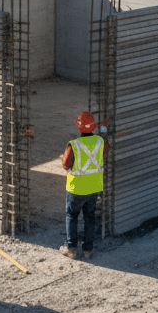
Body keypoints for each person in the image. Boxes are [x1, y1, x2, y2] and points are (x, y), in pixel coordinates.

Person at [60, 111, 104, 259]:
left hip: (76, 188)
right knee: (89, 217)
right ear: (93, 126)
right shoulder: (100, 141)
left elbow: (65, 164)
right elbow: (106, 150)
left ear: (79, 127)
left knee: (72, 216)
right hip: (94, 186)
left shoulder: (74, 145)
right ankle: (88, 250)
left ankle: (72, 249)